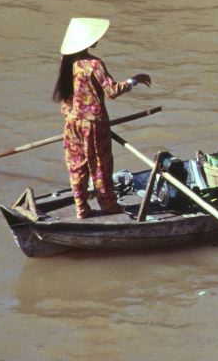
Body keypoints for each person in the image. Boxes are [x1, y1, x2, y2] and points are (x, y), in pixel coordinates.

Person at [52, 18, 152, 218]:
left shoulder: (66, 62)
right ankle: (108, 205)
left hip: (72, 122)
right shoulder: (93, 64)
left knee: (76, 165)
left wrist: (75, 117)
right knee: (100, 164)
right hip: (93, 124)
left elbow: (66, 98)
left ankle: (81, 207)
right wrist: (135, 80)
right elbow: (112, 91)